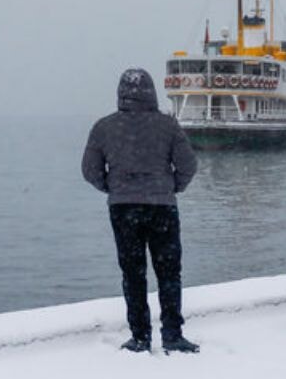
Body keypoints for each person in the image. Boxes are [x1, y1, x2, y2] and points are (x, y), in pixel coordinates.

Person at [82, 68, 200, 354]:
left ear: (121, 93)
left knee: (133, 274)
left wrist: (113, 187)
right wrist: (173, 186)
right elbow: (188, 165)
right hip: (162, 208)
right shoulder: (168, 126)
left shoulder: (104, 127)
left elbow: (89, 171)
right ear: (152, 92)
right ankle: (172, 334)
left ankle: (139, 337)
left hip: (124, 210)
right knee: (169, 272)